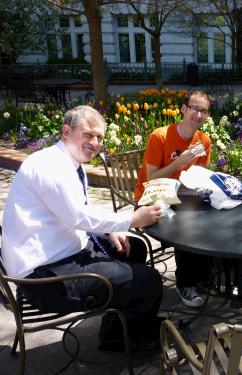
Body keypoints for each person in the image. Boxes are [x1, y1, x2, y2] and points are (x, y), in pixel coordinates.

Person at [2, 105, 164, 351]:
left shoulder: (66, 161)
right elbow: (78, 216)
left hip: (61, 254)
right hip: (46, 279)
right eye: (88, 134)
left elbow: (75, 213)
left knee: (135, 249)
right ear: (66, 132)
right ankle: (125, 337)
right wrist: (131, 219)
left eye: (99, 137)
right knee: (150, 280)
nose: (95, 142)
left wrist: (109, 229)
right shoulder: (50, 167)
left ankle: (120, 326)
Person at [135, 89, 211, 308]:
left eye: (203, 111)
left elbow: (199, 177)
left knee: (213, 214)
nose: (198, 115)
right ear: (183, 109)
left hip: (183, 195)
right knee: (185, 225)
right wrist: (179, 162)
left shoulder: (203, 140)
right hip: (152, 195)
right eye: (194, 109)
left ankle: (204, 276)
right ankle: (185, 283)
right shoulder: (160, 136)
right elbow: (151, 178)